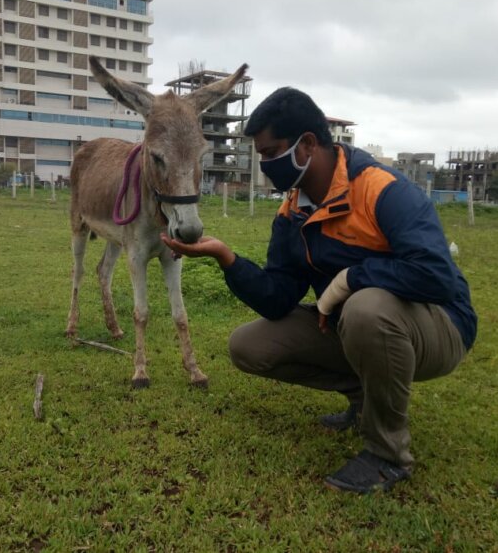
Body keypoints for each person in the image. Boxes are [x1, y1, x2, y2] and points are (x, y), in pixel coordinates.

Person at [161, 87, 477, 494]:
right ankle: (364, 395)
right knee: (249, 346)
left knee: (366, 308)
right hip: (356, 325)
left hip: (441, 327)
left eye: (271, 151)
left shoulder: (382, 190)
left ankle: (387, 454)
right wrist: (227, 258)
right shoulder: (293, 209)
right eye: (259, 155)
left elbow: (437, 276)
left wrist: (347, 281)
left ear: (307, 144)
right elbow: (278, 297)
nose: (265, 164)